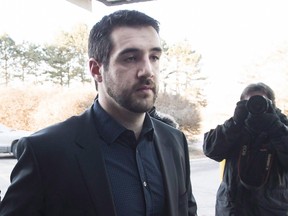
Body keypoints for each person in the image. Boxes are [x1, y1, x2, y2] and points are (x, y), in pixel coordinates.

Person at [0, 10, 197, 216]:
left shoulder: (175, 142)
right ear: (96, 70)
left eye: (154, 57)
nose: (147, 70)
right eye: (130, 58)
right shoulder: (45, 152)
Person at [203, 82, 288, 216]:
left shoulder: (280, 126)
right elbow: (210, 150)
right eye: (249, 102)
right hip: (233, 208)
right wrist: (235, 123)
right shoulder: (235, 126)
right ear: (241, 105)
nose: (256, 106)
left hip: (272, 209)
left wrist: (276, 129)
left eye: (261, 102)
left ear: (271, 104)